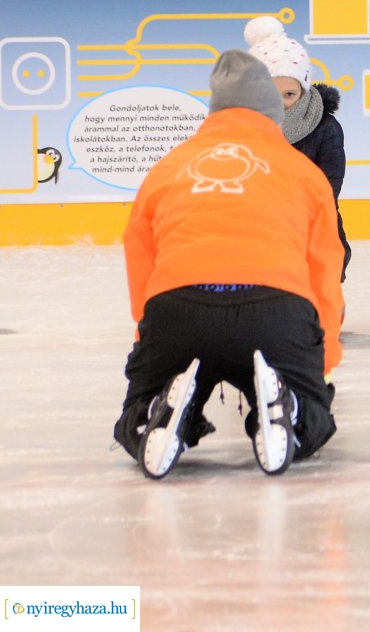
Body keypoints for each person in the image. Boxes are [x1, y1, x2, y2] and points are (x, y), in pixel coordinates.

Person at [116, 51, 344, 479]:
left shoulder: (167, 167)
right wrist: (321, 358)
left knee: (134, 416)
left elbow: (139, 257)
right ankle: (290, 410)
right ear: (273, 115)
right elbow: (325, 272)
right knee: (317, 417)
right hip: (274, 308)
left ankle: (155, 412)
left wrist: (151, 336)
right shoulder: (304, 172)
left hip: (178, 308)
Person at [245, 15, 349, 275]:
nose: (280, 102)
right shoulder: (242, 127)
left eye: (289, 94)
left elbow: (327, 189)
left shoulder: (325, 128)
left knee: (318, 304)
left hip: (313, 232)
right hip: (258, 236)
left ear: (303, 89)